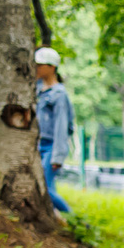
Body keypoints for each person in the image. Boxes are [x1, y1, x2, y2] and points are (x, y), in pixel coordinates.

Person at [33, 48, 74, 214]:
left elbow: (61, 127)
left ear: (51, 67)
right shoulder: (36, 90)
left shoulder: (59, 94)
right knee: (47, 187)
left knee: (45, 189)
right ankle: (57, 219)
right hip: (36, 145)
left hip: (51, 147)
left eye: (39, 65)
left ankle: (74, 219)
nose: (36, 69)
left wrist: (57, 156)